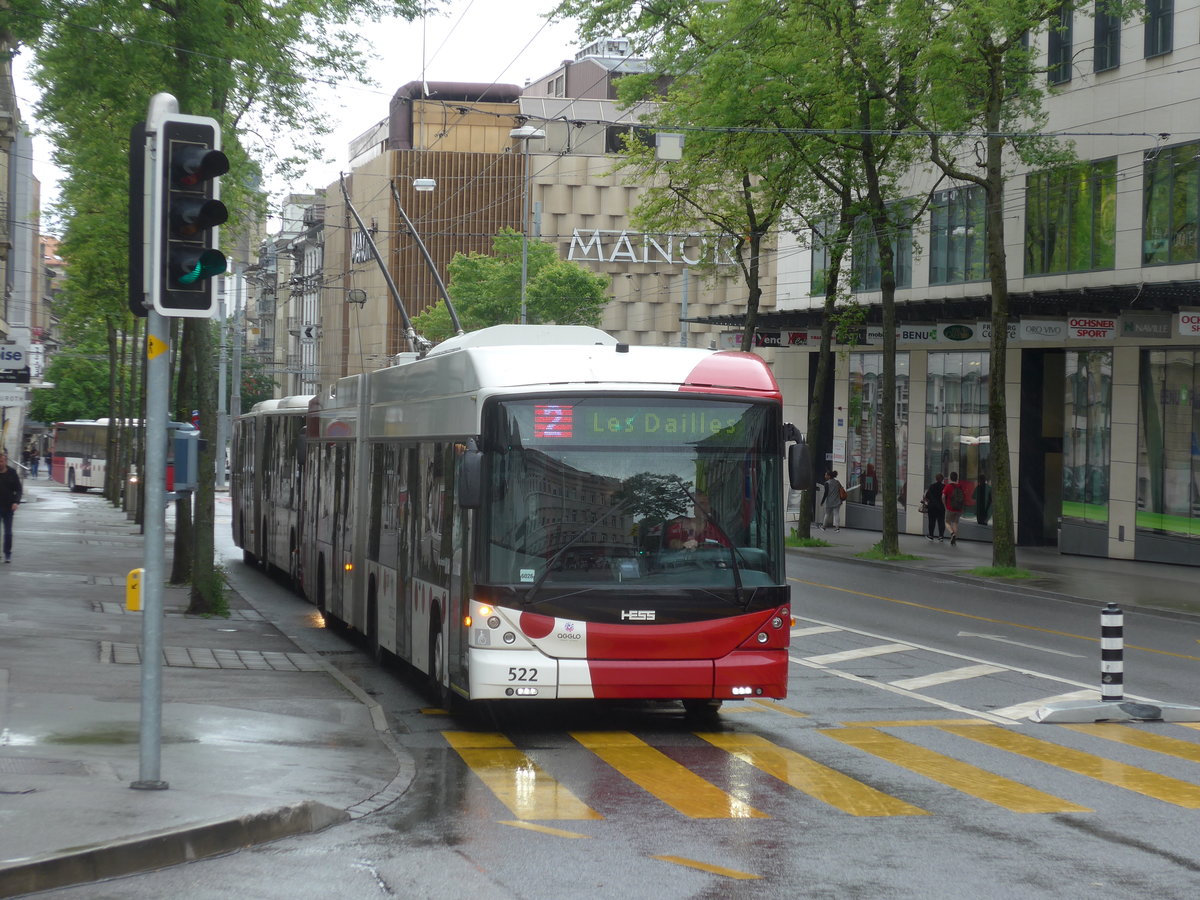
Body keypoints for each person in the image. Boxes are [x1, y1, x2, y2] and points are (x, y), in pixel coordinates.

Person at [0, 451, 23, 563]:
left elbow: (18, 489)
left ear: (5, 461)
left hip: (8, 506)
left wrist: (16, 502)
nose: (0, 463)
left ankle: (7, 553)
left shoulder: (12, 473)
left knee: (8, 532)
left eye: (1, 461)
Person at [942, 471, 966, 546]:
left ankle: (952, 533)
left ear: (950, 478)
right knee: (955, 523)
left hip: (950, 508)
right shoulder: (960, 486)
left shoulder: (948, 486)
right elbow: (963, 497)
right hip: (958, 509)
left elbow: (943, 496)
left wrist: (944, 505)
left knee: (947, 522)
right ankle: (954, 540)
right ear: (957, 478)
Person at [923, 472, 946, 542]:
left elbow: (927, 496)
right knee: (941, 521)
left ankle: (931, 535)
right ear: (942, 479)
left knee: (931, 521)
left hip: (932, 507)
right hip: (941, 507)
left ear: (936, 479)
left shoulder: (932, 486)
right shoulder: (944, 487)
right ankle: (941, 536)